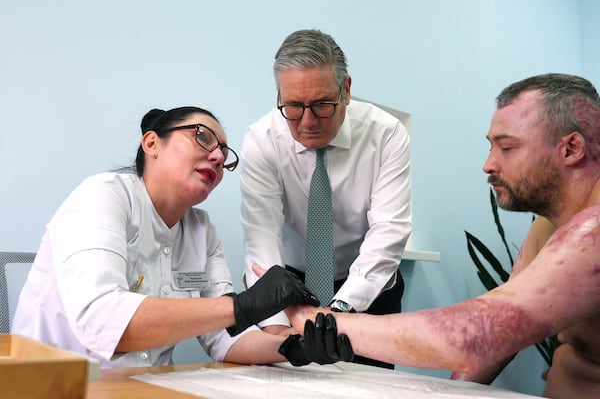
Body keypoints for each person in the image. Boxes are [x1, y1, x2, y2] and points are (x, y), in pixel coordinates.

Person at [277, 73, 600, 398]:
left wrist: (313, 318)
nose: (489, 164)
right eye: (491, 146)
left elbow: (476, 335)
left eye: (507, 147)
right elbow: (502, 337)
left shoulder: (594, 232)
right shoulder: (546, 226)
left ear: (571, 148)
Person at [11, 106, 348, 369]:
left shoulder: (202, 231)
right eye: (202, 137)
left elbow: (225, 339)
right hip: (56, 386)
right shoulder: (102, 196)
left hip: (145, 388)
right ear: (152, 143)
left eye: (225, 154)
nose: (217, 157)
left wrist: (293, 347)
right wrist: (242, 305)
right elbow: (102, 320)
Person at [240, 29, 412, 368]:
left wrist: (338, 313)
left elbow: (389, 231)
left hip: (367, 287)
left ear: (346, 90)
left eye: (321, 105)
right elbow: (261, 237)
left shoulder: (387, 134)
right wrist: (276, 329)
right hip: (290, 285)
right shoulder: (262, 140)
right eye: (292, 106)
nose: (307, 122)